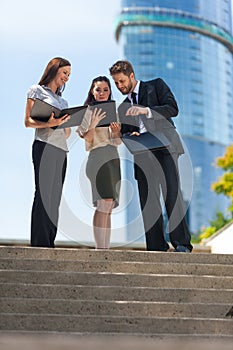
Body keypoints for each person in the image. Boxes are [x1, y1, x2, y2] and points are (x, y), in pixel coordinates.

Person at [109, 60, 193, 253]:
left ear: (131, 76)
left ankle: (181, 244)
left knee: (172, 194)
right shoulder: (122, 108)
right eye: (116, 83)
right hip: (142, 153)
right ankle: (156, 247)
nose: (120, 86)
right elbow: (126, 134)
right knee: (149, 202)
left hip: (165, 147)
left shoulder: (156, 85)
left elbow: (172, 109)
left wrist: (146, 111)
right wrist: (128, 135)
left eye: (122, 81)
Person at [24, 57, 72, 248]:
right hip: (43, 146)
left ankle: (49, 242)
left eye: (69, 74)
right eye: (64, 73)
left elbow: (66, 133)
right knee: (43, 194)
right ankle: (39, 243)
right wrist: (51, 123)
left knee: (55, 198)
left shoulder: (63, 101)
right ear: (54, 70)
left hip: (61, 150)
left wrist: (65, 124)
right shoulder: (36, 91)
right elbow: (28, 121)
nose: (67, 78)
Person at [77, 76, 121, 249]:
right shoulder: (86, 113)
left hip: (113, 158)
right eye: (98, 90)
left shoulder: (114, 112)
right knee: (103, 203)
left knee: (109, 205)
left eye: (105, 90)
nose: (102, 93)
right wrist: (93, 124)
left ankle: (106, 248)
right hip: (97, 157)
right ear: (92, 92)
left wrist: (116, 132)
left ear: (110, 91)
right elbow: (86, 138)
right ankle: (99, 248)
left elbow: (117, 142)